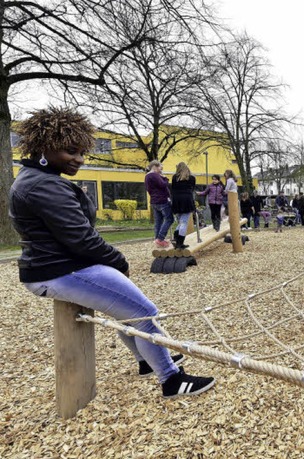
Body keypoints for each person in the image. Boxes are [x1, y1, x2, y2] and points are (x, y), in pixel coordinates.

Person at [9, 107, 215, 398]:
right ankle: (171, 380)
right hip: (60, 270)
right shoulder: (42, 185)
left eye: (82, 152)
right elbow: (81, 238)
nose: (79, 159)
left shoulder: (36, 178)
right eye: (71, 151)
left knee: (124, 308)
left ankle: (147, 360)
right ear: (45, 146)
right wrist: (118, 260)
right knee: (143, 311)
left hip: (56, 267)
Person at [145, 160, 174, 248]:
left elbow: (149, 189)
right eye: (160, 168)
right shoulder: (154, 175)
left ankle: (157, 239)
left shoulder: (147, 176)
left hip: (154, 201)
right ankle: (160, 239)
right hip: (162, 200)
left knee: (158, 221)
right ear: (155, 166)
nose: (161, 170)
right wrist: (165, 178)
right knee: (169, 219)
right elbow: (163, 184)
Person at [170, 162, 196, 250]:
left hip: (177, 200)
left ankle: (176, 239)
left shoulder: (174, 178)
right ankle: (180, 243)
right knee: (184, 222)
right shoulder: (191, 178)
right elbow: (192, 189)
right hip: (187, 200)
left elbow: (173, 189)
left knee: (181, 222)